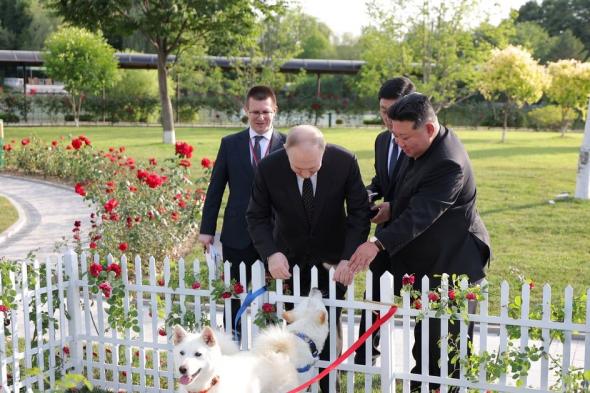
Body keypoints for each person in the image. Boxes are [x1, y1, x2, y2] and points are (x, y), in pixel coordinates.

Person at [348, 93, 491, 392]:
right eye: (394, 135)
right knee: (424, 343)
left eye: (404, 137)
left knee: (444, 352)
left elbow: (422, 215)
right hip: (427, 262)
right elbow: (409, 195)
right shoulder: (419, 147)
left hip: (453, 264)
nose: (399, 143)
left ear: (428, 128)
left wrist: (376, 243)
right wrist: (390, 208)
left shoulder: (448, 162)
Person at [246, 125, 370, 393]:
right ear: (286, 153)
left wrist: (348, 258)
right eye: (298, 169)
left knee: (329, 330)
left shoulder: (344, 162)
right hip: (288, 263)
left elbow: (359, 213)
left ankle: (328, 388)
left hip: (333, 263)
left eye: (312, 169)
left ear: (323, 153)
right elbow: (256, 216)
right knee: (293, 336)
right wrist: (271, 253)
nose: (305, 174)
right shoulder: (268, 168)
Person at [198, 85, 286, 338]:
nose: (260, 117)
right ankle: (233, 342)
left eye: (266, 112)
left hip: (275, 235)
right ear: (246, 110)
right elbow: (216, 188)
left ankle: (271, 344)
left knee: (273, 295)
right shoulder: (230, 144)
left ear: (275, 111)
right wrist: (206, 230)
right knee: (232, 294)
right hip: (237, 234)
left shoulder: (288, 143)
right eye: (255, 112)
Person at [354, 77, 415, 366]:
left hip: (416, 234)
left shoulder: (418, 142)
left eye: (394, 110)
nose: (388, 118)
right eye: (382, 110)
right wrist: (368, 193)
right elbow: (383, 180)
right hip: (384, 233)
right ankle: (366, 355)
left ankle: (422, 363)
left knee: (419, 302)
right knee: (374, 296)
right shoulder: (381, 140)